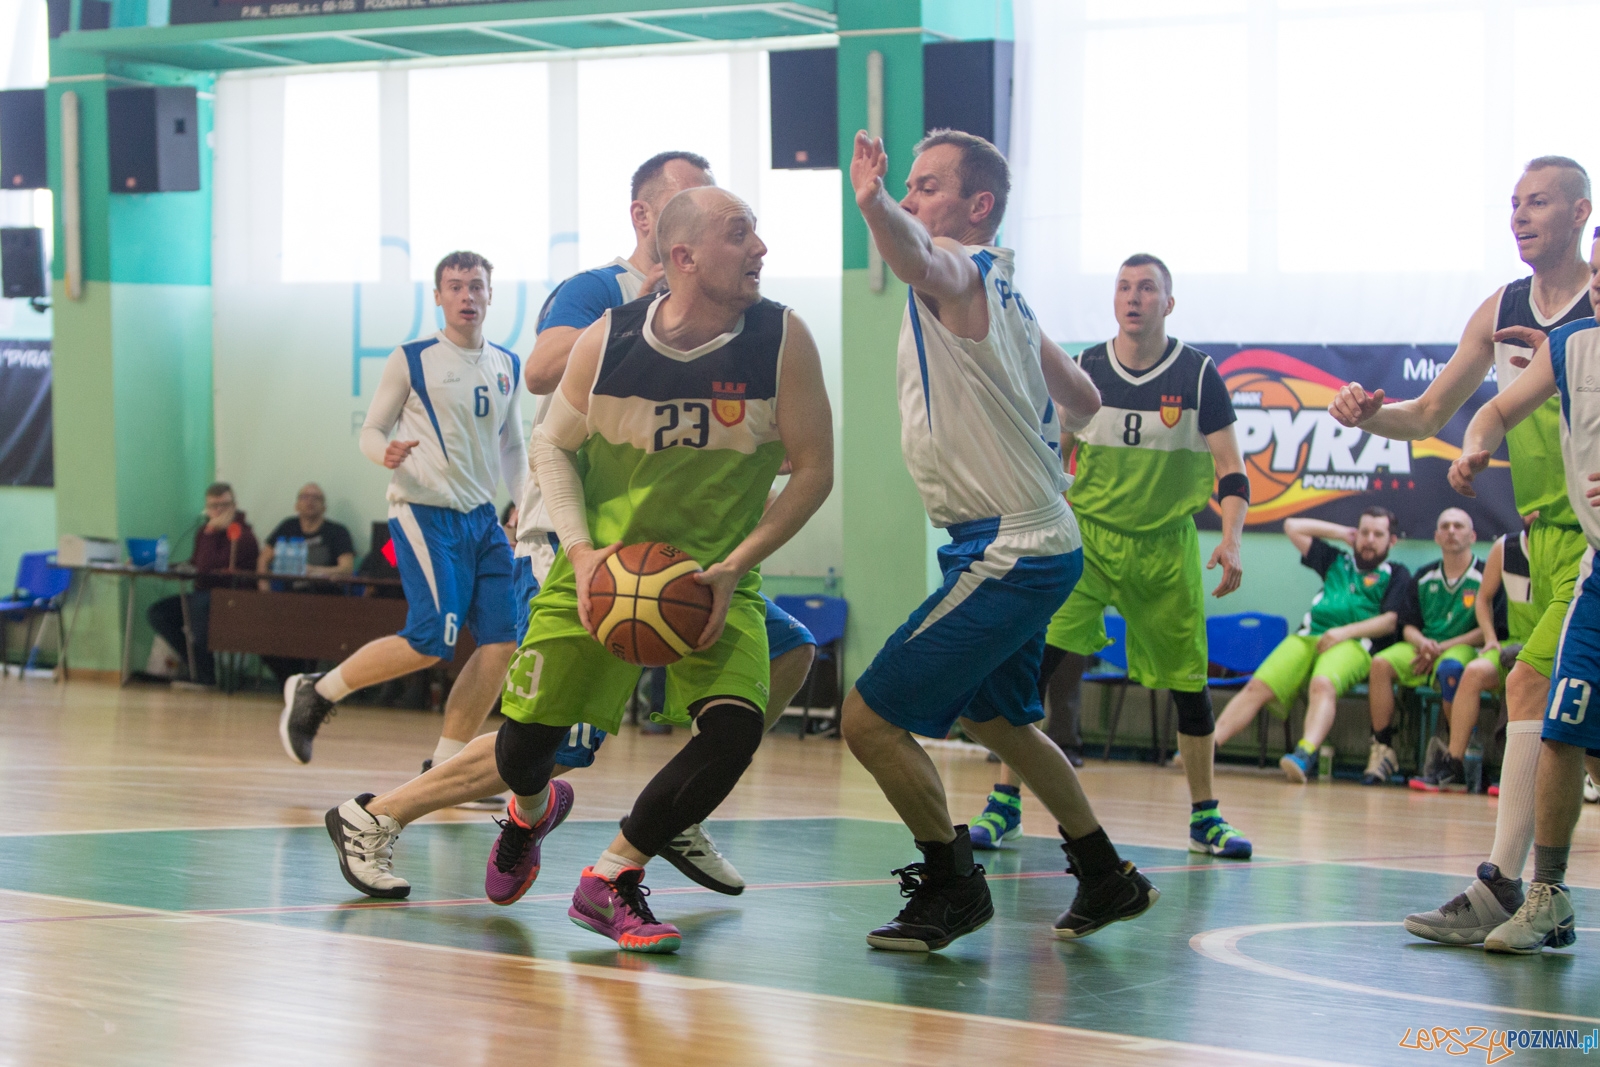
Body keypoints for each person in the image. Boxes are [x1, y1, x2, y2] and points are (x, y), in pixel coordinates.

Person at [322, 154, 819, 904]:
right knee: (550, 744)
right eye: (697, 202)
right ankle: (387, 812)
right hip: (582, 544)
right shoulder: (600, 297)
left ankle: (670, 814)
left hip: (696, 561)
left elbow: (810, 463)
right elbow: (545, 377)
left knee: (788, 652)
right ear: (652, 222)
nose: (756, 247)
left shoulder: (767, 327)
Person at [841, 127, 1156, 954]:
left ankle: (952, 882)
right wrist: (1044, 424)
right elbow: (1085, 395)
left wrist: (873, 205)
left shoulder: (960, 271)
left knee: (868, 719)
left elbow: (920, 261)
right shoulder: (1007, 293)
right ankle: (1104, 872)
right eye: (905, 186)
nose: (911, 197)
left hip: (1009, 548)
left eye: (927, 185)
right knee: (1000, 720)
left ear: (977, 205)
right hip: (1034, 538)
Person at [1328, 158, 1594, 944]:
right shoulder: (1502, 308)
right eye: (1513, 203)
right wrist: (1371, 416)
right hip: (1539, 535)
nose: (1519, 215)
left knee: (1526, 687)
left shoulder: (1593, 308)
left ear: (1582, 213)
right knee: (1568, 725)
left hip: (1592, 540)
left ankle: (1505, 884)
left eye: (1537, 202)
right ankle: (1531, 888)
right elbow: (1432, 414)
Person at [968, 252, 1253, 861]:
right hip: (1088, 542)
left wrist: (1230, 539)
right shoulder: (1086, 369)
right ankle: (1004, 804)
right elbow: (1052, 453)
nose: (1134, 297)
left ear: (1167, 304)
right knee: (1036, 670)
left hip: (1165, 548)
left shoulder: (1200, 376)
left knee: (1189, 686)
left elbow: (1232, 471)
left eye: (1147, 288)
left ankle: (1206, 818)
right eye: (1125, 287)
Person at [278, 252, 526, 776]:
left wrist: (523, 501)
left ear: (489, 295)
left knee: (503, 642)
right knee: (431, 640)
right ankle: (316, 693)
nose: (466, 296)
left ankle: (447, 764)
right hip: (423, 513)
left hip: (482, 521)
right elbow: (372, 429)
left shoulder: (507, 363)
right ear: (437, 297)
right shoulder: (412, 358)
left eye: (475, 286)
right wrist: (382, 452)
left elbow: (512, 446)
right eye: (455, 287)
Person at [1443, 290, 1600, 952]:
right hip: (1597, 571)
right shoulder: (1572, 345)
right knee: (1561, 726)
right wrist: (1475, 445)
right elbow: (1499, 407)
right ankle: (1546, 891)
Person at [1212, 510, 1409, 781]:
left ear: (1392, 541)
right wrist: (1342, 533)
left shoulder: (1396, 573)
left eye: (1378, 534)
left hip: (1354, 643)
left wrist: (1343, 633)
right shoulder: (1336, 561)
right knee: (1258, 685)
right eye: (1364, 532)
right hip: (1308, 636)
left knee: (1322, 684)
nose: (1369, 540)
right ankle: (1207, 747)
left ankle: (1305, 753)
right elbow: (1292, 526)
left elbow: (1389, 622)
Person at [1364, 508, 1495, 790]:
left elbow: (1488, 630)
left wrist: (1441, 647)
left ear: (1472, 535)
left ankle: (1455, 756)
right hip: (1424, 646)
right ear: (1436, 536)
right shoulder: (1425, 576)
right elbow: (1407, 624)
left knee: (1452, 669)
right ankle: (1383, 747)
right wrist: (1422, 643)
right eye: (1444, 526)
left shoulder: (1485, 574)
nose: (1451, 531)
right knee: (1380, 664)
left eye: (1458, 526)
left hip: (1461, 647)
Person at [148, 482, 259, 687]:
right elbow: (196, 563)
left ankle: (205, 676)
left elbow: (206, 567)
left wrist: (210, 532)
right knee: (159, 613)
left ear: (234, 506)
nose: (217, 511)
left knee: (199, 607)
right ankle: (195, 665)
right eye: (212, 506)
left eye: (223, 506)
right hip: (204, 594)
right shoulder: (204, 532)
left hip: (233, 598)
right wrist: (160, 566)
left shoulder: (242, 535)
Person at [256, 483, 357, 683]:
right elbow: (263, 560)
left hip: (324, 599)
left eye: (316, 498)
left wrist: (314, 571)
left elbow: (346, 568)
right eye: (305, 497)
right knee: (261, 634)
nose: (310, 501)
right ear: (296, 505)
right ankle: (291, 682)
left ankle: (302, 683)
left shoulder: (336, 532)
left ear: (324, 506)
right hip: (288, 598)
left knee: (307, 636)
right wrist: (264, 591)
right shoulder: (287, 527)